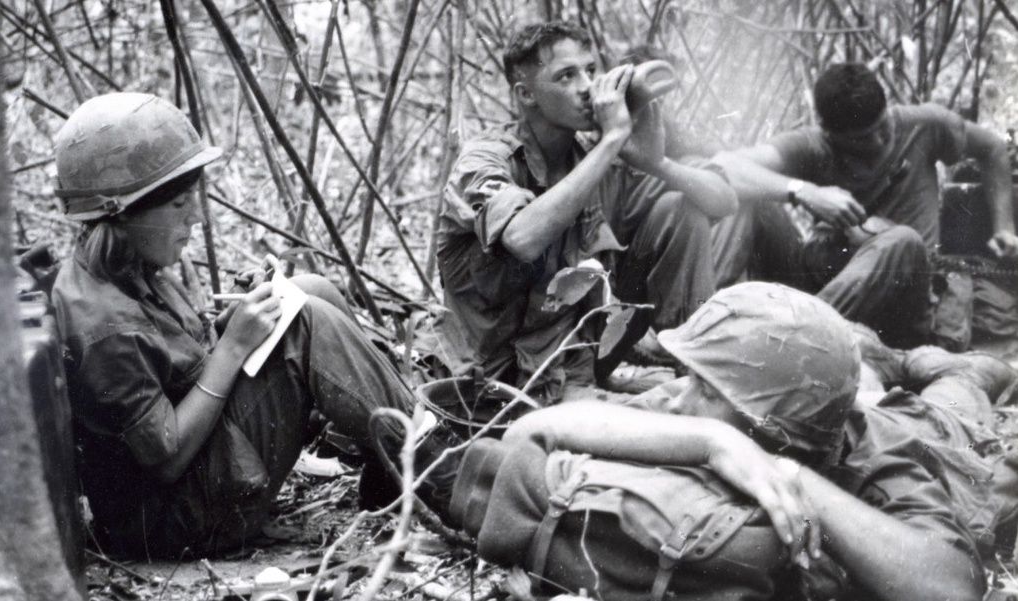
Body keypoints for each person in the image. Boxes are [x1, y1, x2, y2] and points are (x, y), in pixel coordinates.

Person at [429, 282, 1015, 600]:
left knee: (962, 384)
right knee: (862, 366)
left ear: (769, 429)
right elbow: (533, 428)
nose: (677, 396)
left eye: (703, 389)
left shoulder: (889, 460)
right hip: (829, 403)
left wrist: (795, 480)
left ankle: (954, 362)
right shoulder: (707, 409)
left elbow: (950, 586)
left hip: (941, 428)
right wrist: (711, 439)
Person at [49, 92, 425, 558]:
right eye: (179, 205)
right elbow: (166, 459)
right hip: (174, 521)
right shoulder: (104, 327)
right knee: (306, 322)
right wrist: (231, 349)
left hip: (195, 481)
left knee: (309, 289)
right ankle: (438, 472)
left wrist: (232, 325)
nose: (196, 217)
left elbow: (176, 366)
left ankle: (395, 459)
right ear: (119, 213)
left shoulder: (126, 266)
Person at [437, 21, 737, 403]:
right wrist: (610, 140)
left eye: (591, 71)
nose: (587, 87)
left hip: (576, 367)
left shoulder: (596, 160)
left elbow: (723, 202)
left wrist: (656, 163)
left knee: (682, 211)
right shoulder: (485, 158)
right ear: (526, 94)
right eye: (566, 76)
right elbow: (522, 239)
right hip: (491, 382)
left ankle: (698, 375)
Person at [712, 62, 1018, 348]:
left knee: (901, 240)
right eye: (861, 139)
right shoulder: (814, 145)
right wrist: (803, 190)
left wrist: (1004, 226)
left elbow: (991, 149)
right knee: (742, 199)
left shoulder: (924, 125)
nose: (878, 142)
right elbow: (724, 166)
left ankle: (789, 342)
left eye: (883, 127)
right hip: (828, 288)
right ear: (829, 132)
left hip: (901, 304)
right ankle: (704, 327)